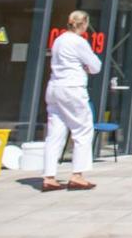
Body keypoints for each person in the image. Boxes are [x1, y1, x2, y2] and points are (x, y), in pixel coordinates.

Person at [42, 10, 102, 192]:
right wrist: (86, 67)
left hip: (54, 87)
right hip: (72, 88)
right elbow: (96, 66)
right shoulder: (79, 42)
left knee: (54, 133)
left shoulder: (59, 40)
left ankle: (49, 176)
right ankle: (77, 175)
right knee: (83, 129)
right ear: (83, 24)